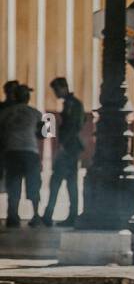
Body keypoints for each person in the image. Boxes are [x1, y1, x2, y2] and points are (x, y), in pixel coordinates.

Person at [40, 77, 85, 226]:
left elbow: (72, 127)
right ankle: (70, 216)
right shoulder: (73, 103)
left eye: (56, 90)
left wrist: (62, 147)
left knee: (57, 182)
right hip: (72, 147)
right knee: (68, 183)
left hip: (68, 148)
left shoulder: (71, 104)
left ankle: (50, 215)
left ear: (63, 88)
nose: (55, 93)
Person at [1, 84, 42, 226]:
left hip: (12, 152)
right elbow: (45, 135)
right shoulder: (36, 112)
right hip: (31, 153)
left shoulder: (5, 113)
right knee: (34, 186)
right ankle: (36, 217)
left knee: (13, 186)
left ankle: (12, 218)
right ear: (28, 98)